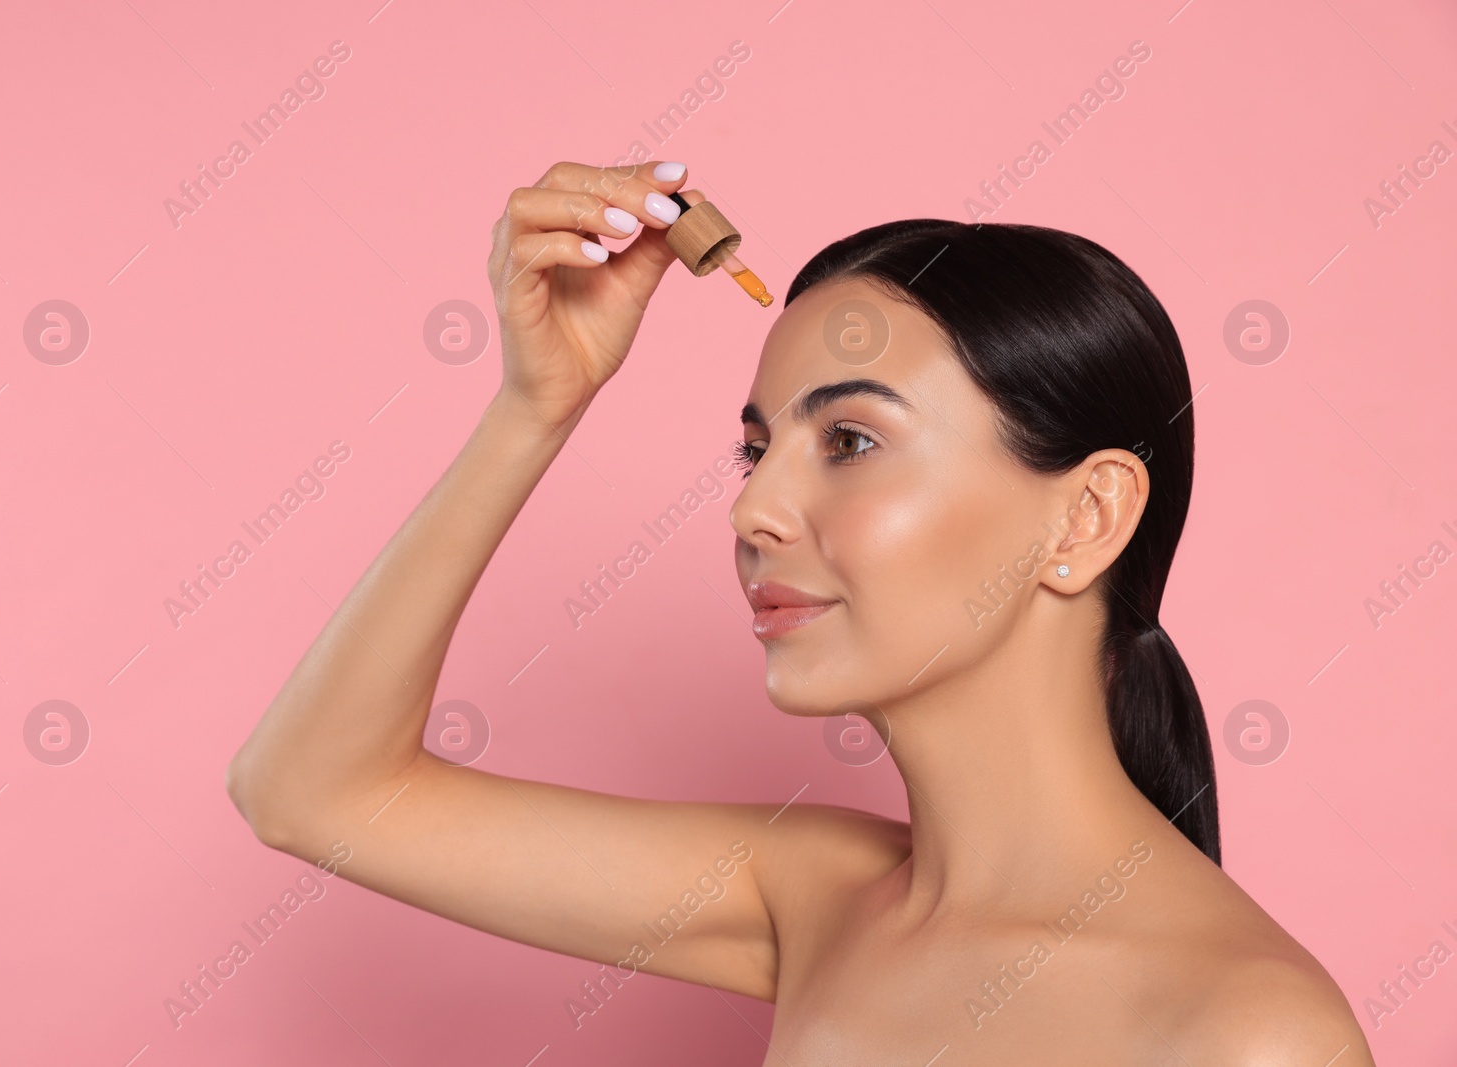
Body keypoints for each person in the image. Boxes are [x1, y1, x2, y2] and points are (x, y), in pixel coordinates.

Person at [226, 159, 1374, 1063]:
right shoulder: (815, 895)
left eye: (852, 440)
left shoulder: (1248, 1034)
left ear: (1083, 519)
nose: (757, 507)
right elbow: (314, 792)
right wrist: (539, 403)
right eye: (756, 446)